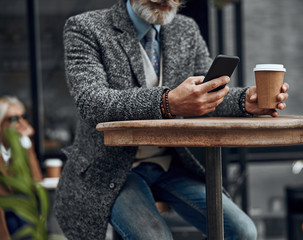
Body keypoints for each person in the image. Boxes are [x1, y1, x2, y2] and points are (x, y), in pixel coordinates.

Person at [55, 0, 289, 239]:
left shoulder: (186, 29)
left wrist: (245, 101)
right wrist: (167, 101)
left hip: (170, 163)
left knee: (243, 231)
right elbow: (92, 102)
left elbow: (207, 95)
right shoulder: (85, 27)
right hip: (109, 168)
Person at [0, 96, 43, 236]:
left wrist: (26, 143)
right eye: (13, 119)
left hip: (16, 211)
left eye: (23, 116)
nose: (21, 123)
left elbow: (36, 180)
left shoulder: (15, 150)